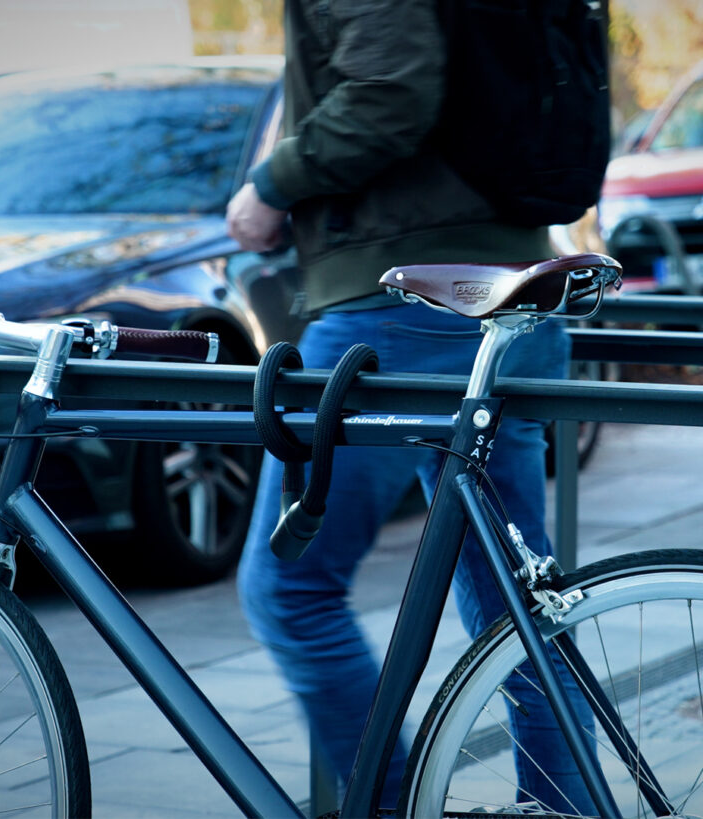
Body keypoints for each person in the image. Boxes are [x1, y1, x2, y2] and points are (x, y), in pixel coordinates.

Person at [226, 0, 601, 812]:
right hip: (511, 290)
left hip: (402, 312)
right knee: (515, 612)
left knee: (290, 589)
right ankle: (572, 808)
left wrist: (270, 186)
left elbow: (391, 89)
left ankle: (389, 806)